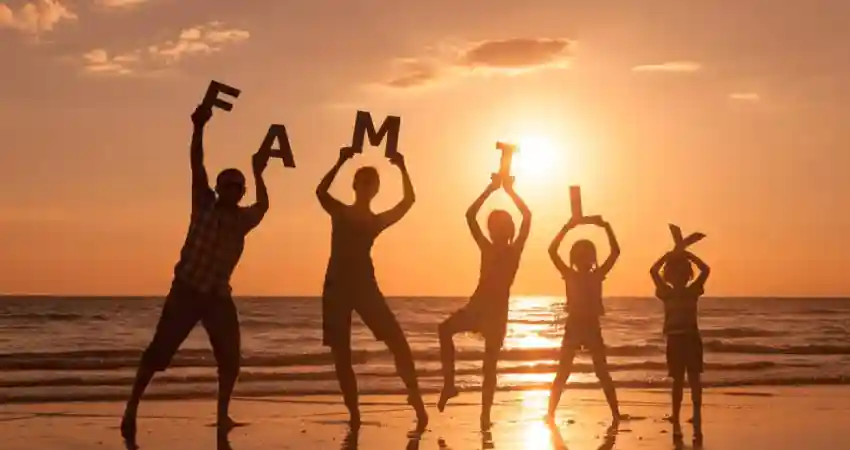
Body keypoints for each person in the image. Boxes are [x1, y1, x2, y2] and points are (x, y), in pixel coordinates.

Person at [121, 104, 270, 443]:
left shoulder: (241, 221)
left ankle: (222, 417)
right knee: (159, 353)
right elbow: (196, 163)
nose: (233, 191)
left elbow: (264, 207)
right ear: (219, 188)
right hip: (186, 291)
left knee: (231, 359)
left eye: (238, 187)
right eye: (228, 186)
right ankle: (131, 407)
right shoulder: (203, 203)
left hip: (217, 297)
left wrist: (259, 172)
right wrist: (199, 127)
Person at [316, 147, 428, 432]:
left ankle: (416, 401)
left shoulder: (374, 221)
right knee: (342, 355)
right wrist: (341, 160)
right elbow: (320, 191)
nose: (368, 188)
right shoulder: (340, 212)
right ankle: (354, 415)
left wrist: (402, 166)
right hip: (336, 288)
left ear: (376, 190)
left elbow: (408, 201)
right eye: (363, 182)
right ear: (355, 186)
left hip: (365, 286)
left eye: (372, 184)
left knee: (398, 342)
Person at [437, 175, 532, 429]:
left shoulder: (514, 250)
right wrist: (490, 189)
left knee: (489, 367)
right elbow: (470, 216)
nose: (495, 230)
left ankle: (485, 417)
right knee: (444, 330)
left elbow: (528, 216)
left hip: (497, 314)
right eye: (493, 226)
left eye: (500, 226)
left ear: (508, 230)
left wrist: (511, 191)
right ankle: (449, 385)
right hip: (477, 308)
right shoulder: (486, 247)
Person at [546, 216, 623, 424]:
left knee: (601, 372)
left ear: (592, 258)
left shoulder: (596, 275)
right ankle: (550, 413)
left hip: (590, 327)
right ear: (574, 259)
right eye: (580, 255)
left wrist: (607, 226)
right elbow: (552, 251)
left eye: (587, 255)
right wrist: (566, 227)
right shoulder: (571, 274)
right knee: (564, 372)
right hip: (575, 326)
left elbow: (616, 252)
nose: (583, 259)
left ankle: (616, 413)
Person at [650, 247, 711, 442]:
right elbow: (652, 271)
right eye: (674, 272)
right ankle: (675, 414)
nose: (678, 276)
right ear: (668, 275)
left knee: (694, 379)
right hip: (674, 340)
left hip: (691, 338)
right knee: (677, 380)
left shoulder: (693, 290)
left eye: (682, 272)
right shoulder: (665, 292)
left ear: (687, 275)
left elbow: (706, 270)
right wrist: (668, 255)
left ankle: (696, 413)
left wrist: (688, 255)